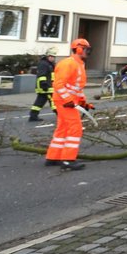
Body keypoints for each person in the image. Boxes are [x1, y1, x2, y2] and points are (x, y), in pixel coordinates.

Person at [45, 38, 93, 170]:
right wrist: (68, 100)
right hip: (64, 102)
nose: (87, 52)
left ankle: (53, 157)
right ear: (78, 49)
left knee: (63, 128)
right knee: (75, 128)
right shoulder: (69, 63)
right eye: (86, 49)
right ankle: (68, 160)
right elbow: (58, 84)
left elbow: (76, 88)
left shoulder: (79, 64)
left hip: (68, 101)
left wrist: (83, 102)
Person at [28, 48, 58, 122]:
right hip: (45, 87)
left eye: (53, 57)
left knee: (39, 102)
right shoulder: (44, 64)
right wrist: (43, 84)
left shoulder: (49, 64)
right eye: (51, 56)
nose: (52, 58)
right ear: (47, 56)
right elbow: (42, 75)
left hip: (46, 87)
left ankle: (33, 116)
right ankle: (60, 115)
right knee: (53, 101)